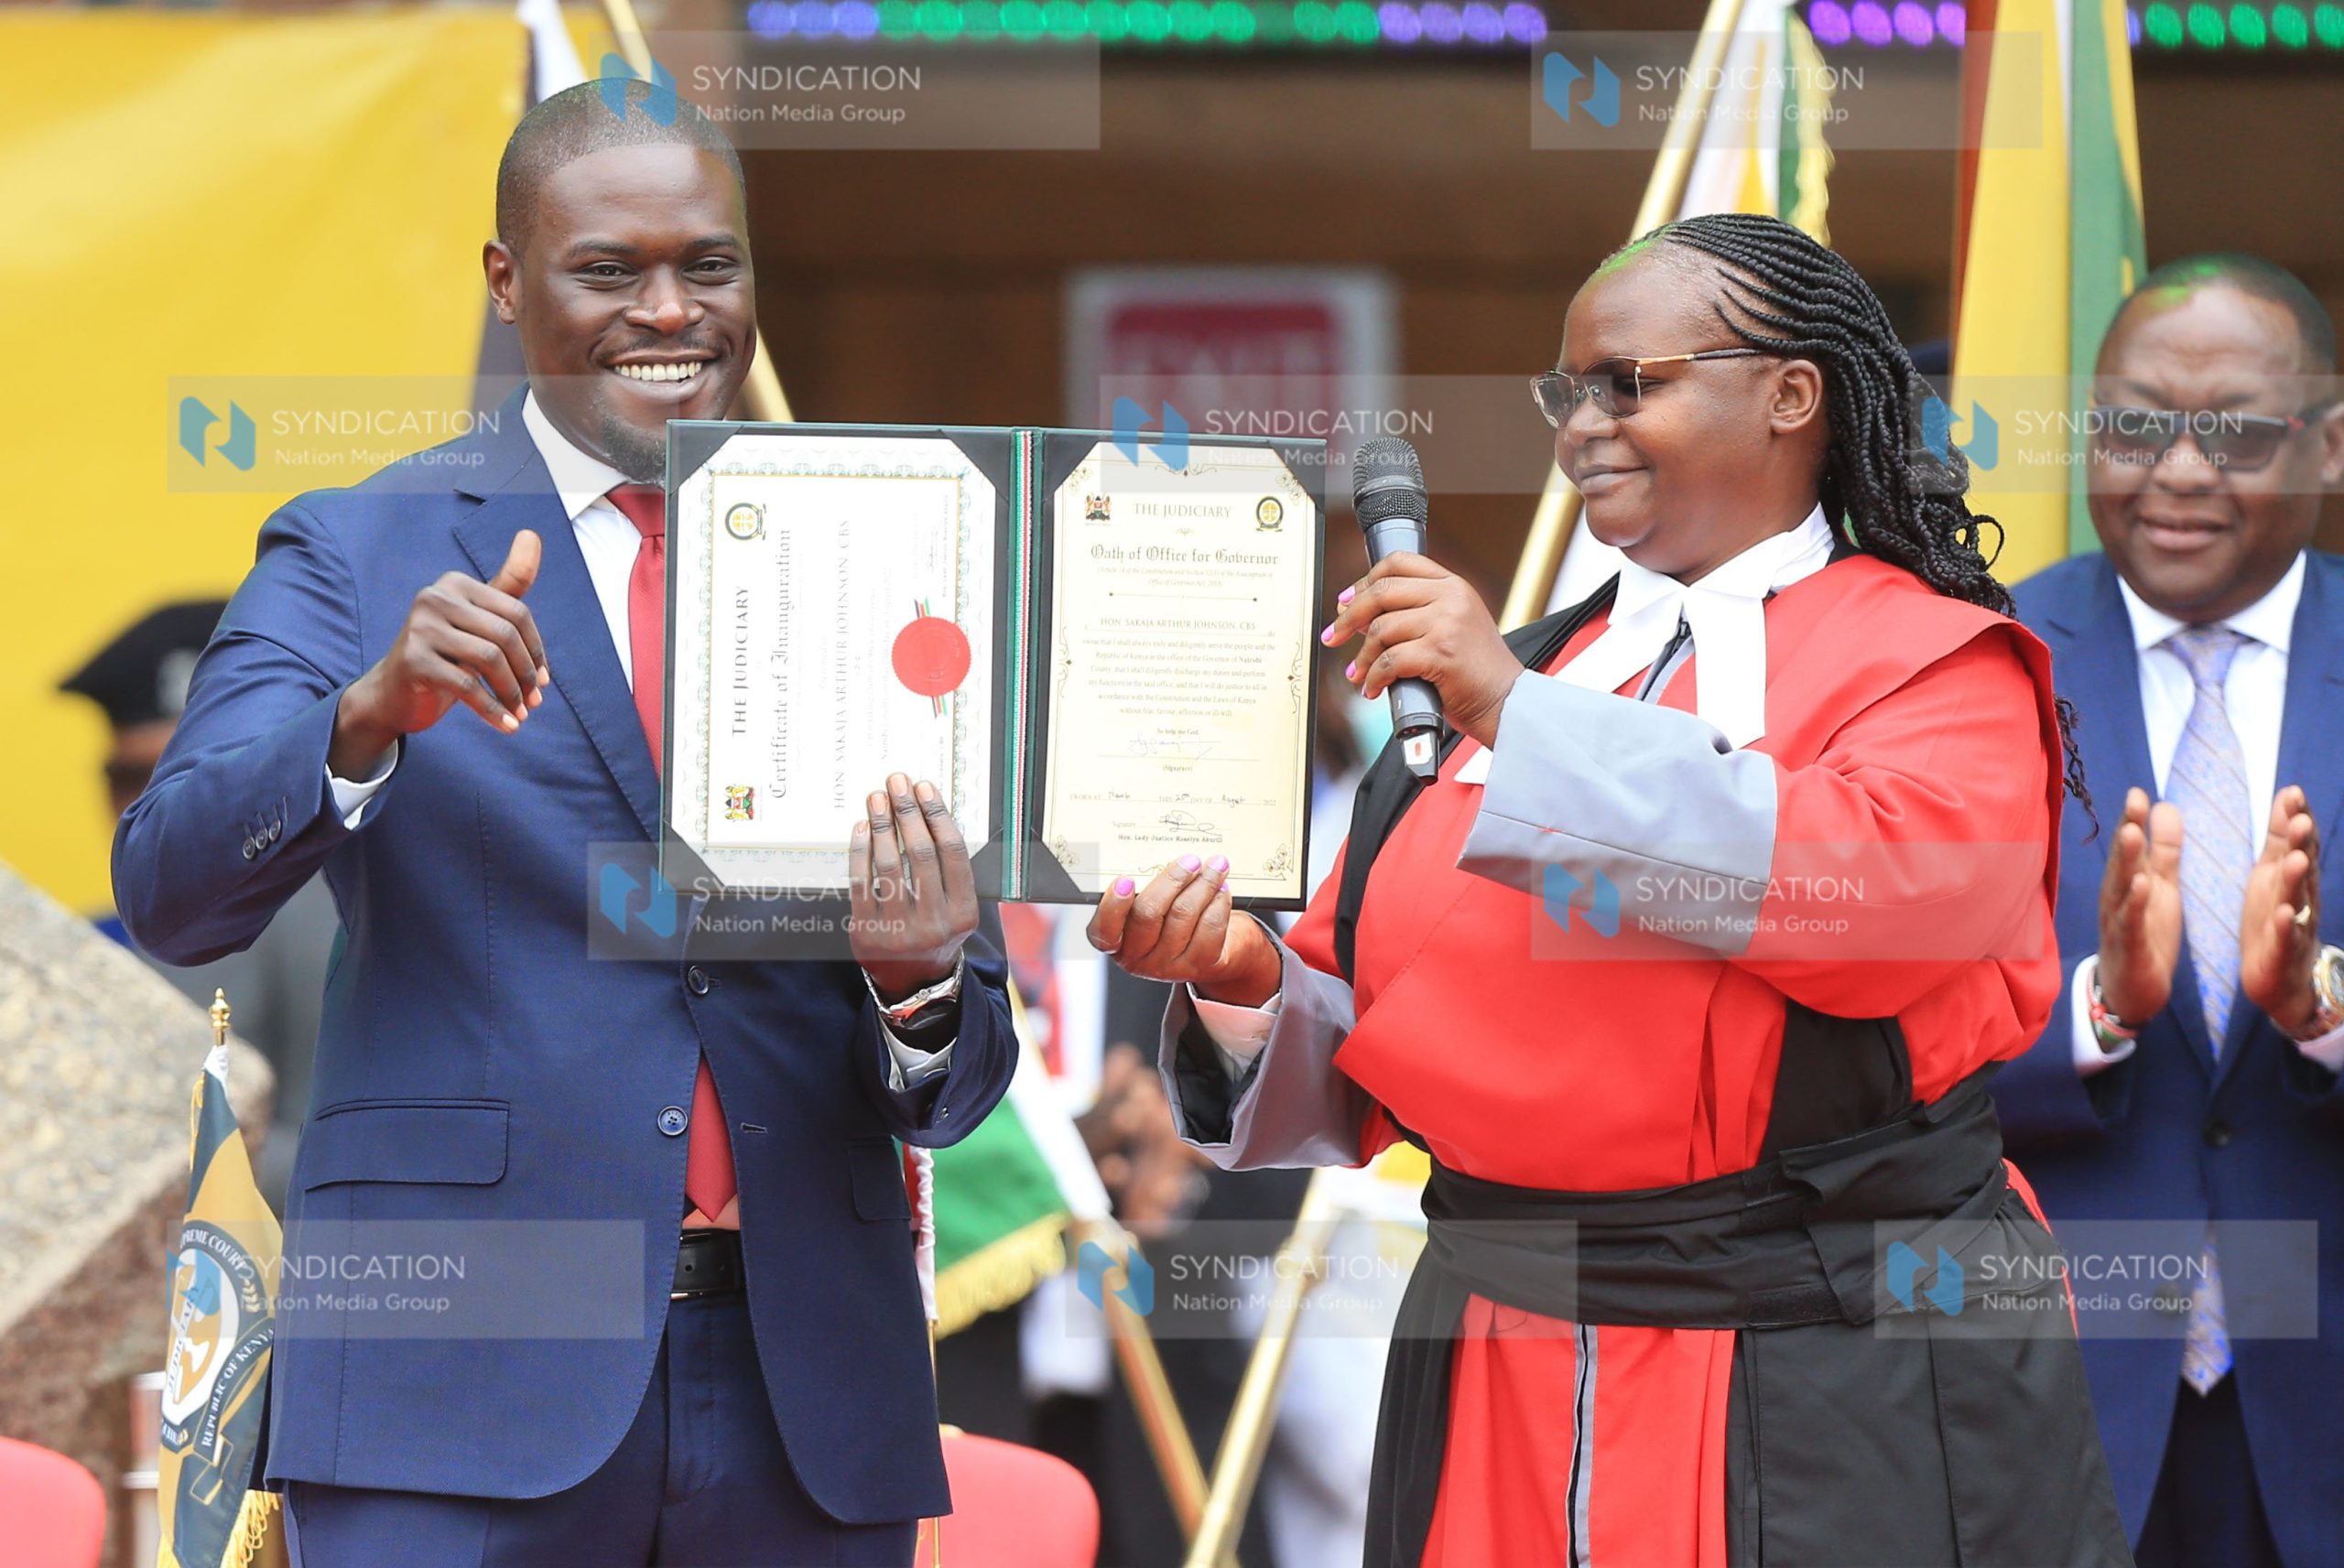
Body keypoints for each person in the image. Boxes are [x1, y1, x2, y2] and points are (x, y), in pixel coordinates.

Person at [1088, 211, 2132, 1567]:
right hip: (1499, 1353)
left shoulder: (1940, 662)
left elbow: (1872, 906)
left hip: (1822, 1360)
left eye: (1628, 384)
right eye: (1565, 391)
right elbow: (1371, 1025)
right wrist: (1240, 982)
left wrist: (1518, 714)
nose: (1582, 426)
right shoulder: (1499, 678)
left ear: (1791, 395)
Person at [112, 81, 1017, 1565]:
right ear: (506, 278)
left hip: (807, 1398)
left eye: (708, 265)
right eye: (610, 268)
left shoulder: (888, 556)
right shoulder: (360, 547)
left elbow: (961, 1075)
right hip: (450, 1382)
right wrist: (366, 715)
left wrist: (920, 976)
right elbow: (168, 883)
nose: (669, 310)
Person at [1991, 254, 2344, 1568]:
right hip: (2048, 1399)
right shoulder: (1976, 666)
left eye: (2238, 430)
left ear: (2329, 441)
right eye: (2138, 423)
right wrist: (2100, 1007)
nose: (2180, 470)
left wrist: (2321, 1014)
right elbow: (1885, 1026)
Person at [61, 600, 338, 1205]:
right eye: (131, 780)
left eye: (190, 777)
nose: (160, 811)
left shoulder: (361, 909)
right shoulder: (90, 957)